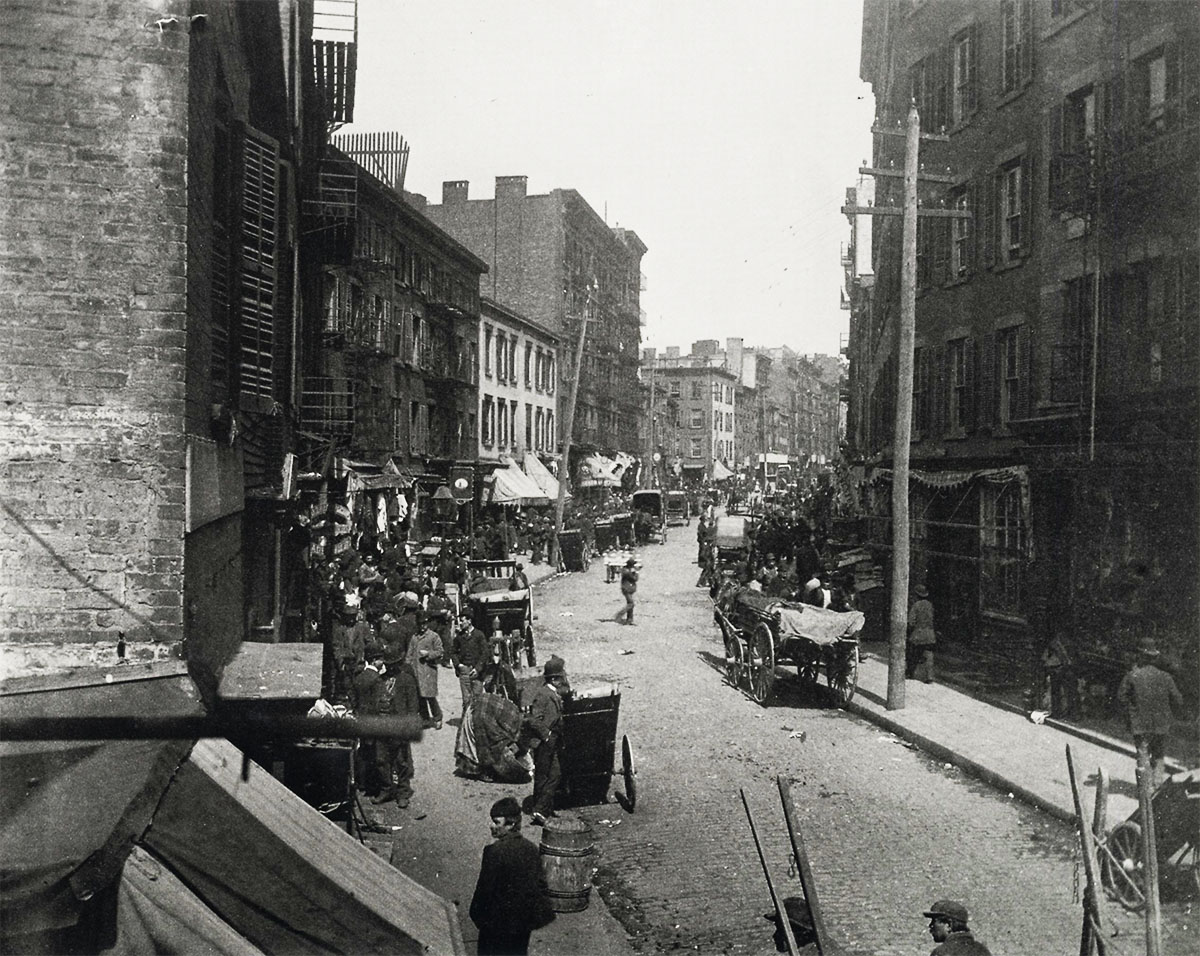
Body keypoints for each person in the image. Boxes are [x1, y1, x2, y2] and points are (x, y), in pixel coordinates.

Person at [469, 796, 555, 955]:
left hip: (495, 926)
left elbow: (483, 892)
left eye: (496, 822)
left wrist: (478, 917)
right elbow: (541, 886)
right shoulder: (531, 849)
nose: (491, 826)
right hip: (521, 926)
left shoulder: (494, 852)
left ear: (511, 824)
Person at [1117, 637, 1185, 789]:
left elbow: (1121, 698)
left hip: (1140, 724)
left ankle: (1145, 789)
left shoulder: (1132, 675)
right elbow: (1178, 700)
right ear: (1154, 658)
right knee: (1159, 755)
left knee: (1143, 755)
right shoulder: (1166, 677)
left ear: (1140, 656)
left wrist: (1131, 712)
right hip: (1162, 724)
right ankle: (1157, 786)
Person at [521, 655, 569, 825]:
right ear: (554, 679)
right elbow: (533, 719)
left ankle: (543, 808)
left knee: (554, 774)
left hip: (552, 740)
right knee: (544, 776)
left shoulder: (551, 692)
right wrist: (546, 735)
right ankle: (540, 810)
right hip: (543, 742)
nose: (563, 680)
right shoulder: (543, 695)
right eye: (561, 677)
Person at [406, 612, 445, 730]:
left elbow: (440, 652)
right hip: (416, 671)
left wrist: (429, 654)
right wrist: (407, 666)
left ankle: (438, 717)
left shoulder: (433, 636)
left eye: (424, 624)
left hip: (428, 671)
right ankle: (425, 719)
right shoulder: (414, 637)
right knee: (420, 697)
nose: (423, 626)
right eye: (420, 624)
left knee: (430, 696)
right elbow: (409, 653)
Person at [922, 900, 991, 955]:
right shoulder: (983, 950)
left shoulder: (942, 952)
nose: (930, 925)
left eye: (934, 921)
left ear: (949, 925)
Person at [451, 615, 490, 712]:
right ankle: (466, 724)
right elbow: (453, 652)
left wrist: (477, 668)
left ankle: (476, 724)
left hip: (476, 673)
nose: (460, 623)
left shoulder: (479, 635)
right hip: (464, 672)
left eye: (462, 620)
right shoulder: (459, 637)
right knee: (466, 700)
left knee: (477, 700)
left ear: (469, 621)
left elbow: (485, 653)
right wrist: (458, 665)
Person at [1041, 630, 1077, 717]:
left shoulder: (1058, 644)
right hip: (1059, 668)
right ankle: (1061, 712)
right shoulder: (1056, 644)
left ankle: (1060, 712)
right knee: (1059, 691)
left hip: (1060, 668)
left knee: (1060, 691)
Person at [906, 584, 936, 683]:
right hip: (930, 633)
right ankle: (929, 676)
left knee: (913, 654)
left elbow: (911, 621)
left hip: (918, 634)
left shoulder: (916, 605)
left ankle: (910, 673)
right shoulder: (930, 605)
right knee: (928, 654)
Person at [620, 557, 639, 625]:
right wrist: (635, 572)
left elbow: (636, 578)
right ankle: (620, 615)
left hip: (630, 589)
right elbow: (633, 578)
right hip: (626, 589)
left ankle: (629, 619)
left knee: (630, 604)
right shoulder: (626, 571)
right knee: (631, 604)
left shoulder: (628, 570)